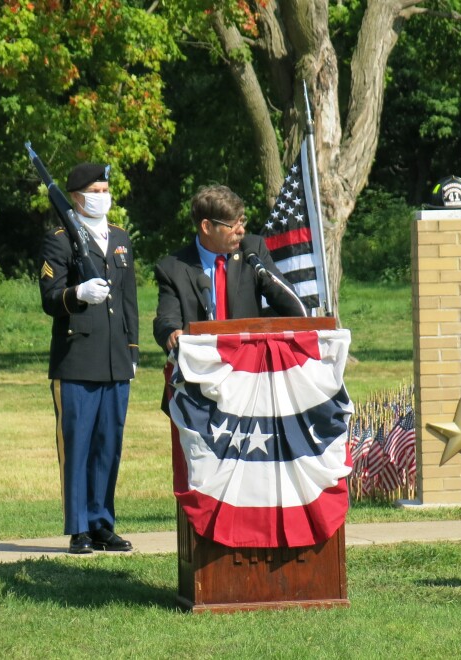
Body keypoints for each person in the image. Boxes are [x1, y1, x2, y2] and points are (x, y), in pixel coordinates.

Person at [39, 162, 138, 554]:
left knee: (107, 446)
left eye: (105, 188)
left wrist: (132, 352)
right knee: (77, 444)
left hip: (115, 358)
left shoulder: (120, 238)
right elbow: (50, 298)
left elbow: (128, 300)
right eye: (95, 190)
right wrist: (77, 295)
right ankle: (78, 527)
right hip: (78, 357)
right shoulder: (60, 240)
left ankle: (102, 523)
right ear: (77, 197)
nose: (102, 196)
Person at [153, 184, 305, 354]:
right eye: (232, 225)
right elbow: (166, 319)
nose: (242, 230)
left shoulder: (252, 251)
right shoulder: (173, 269)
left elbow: (286, 299)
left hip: (249, 366)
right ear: (207, 227)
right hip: (201, 366)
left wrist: (308, 323)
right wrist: (171, 333)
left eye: (242, 220)